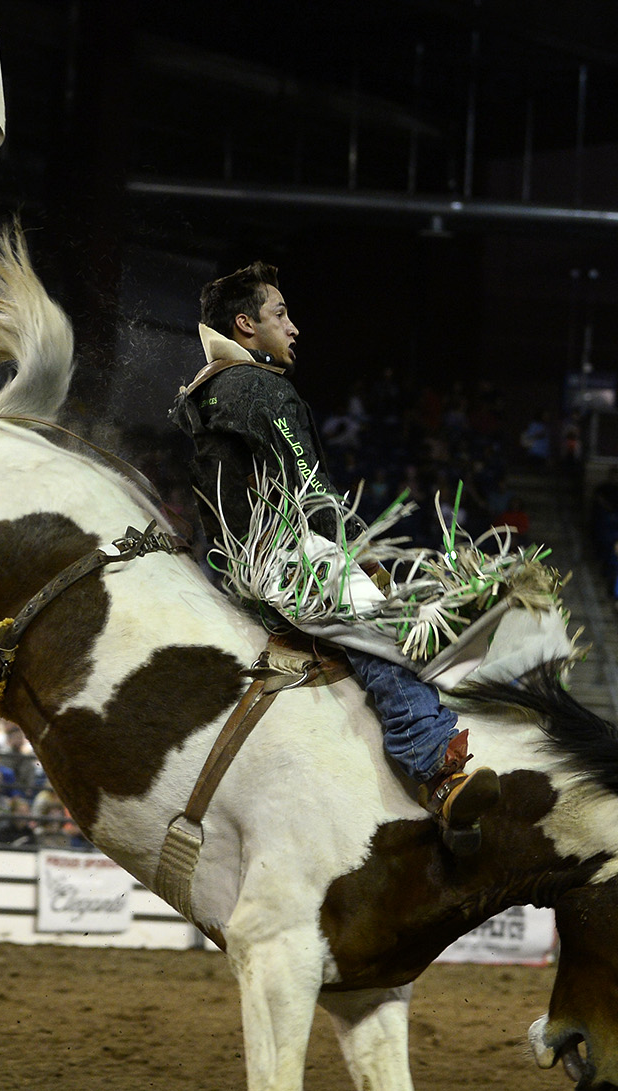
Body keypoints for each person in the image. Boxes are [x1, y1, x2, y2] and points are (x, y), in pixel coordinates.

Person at [168, 260, 497, 851]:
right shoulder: (261, 389)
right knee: (387, 631)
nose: (293, 327)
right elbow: (308, 485)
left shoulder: (204, 393)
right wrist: (353, 553)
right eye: (280, 314)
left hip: (233, 562)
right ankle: (435, 767)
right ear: (245, 325)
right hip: (286, 559)